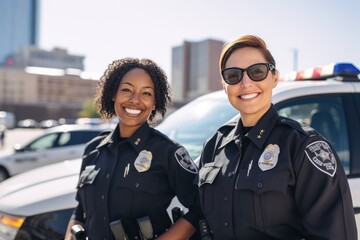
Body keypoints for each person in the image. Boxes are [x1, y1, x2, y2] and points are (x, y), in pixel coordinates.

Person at [197, 35, 357, 239]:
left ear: (274, 77)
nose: (246, 83)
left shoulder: (302, 146)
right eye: (233, 75)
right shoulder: (213, 146)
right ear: (224, 85)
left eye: (257, 72)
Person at [65, 57, 202, 240]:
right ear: (114, 93)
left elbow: (201, 206)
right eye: (127, 90)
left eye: (146, 93)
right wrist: (72, 231)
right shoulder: (93, 150)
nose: (135, 99)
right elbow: (81, 208)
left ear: (154, 103)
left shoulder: (167, 152)